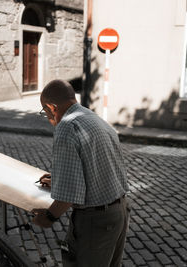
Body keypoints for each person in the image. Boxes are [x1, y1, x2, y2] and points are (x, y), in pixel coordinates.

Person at [31, 79, 130, 267]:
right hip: (120, 211)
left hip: (96, 221)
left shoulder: (66, 127)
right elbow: (101, 167)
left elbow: (67, 197)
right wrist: (60, 179)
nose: (47, 116)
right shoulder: (92, 117)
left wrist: (48, 218)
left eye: (45, 111)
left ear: (52, 108)